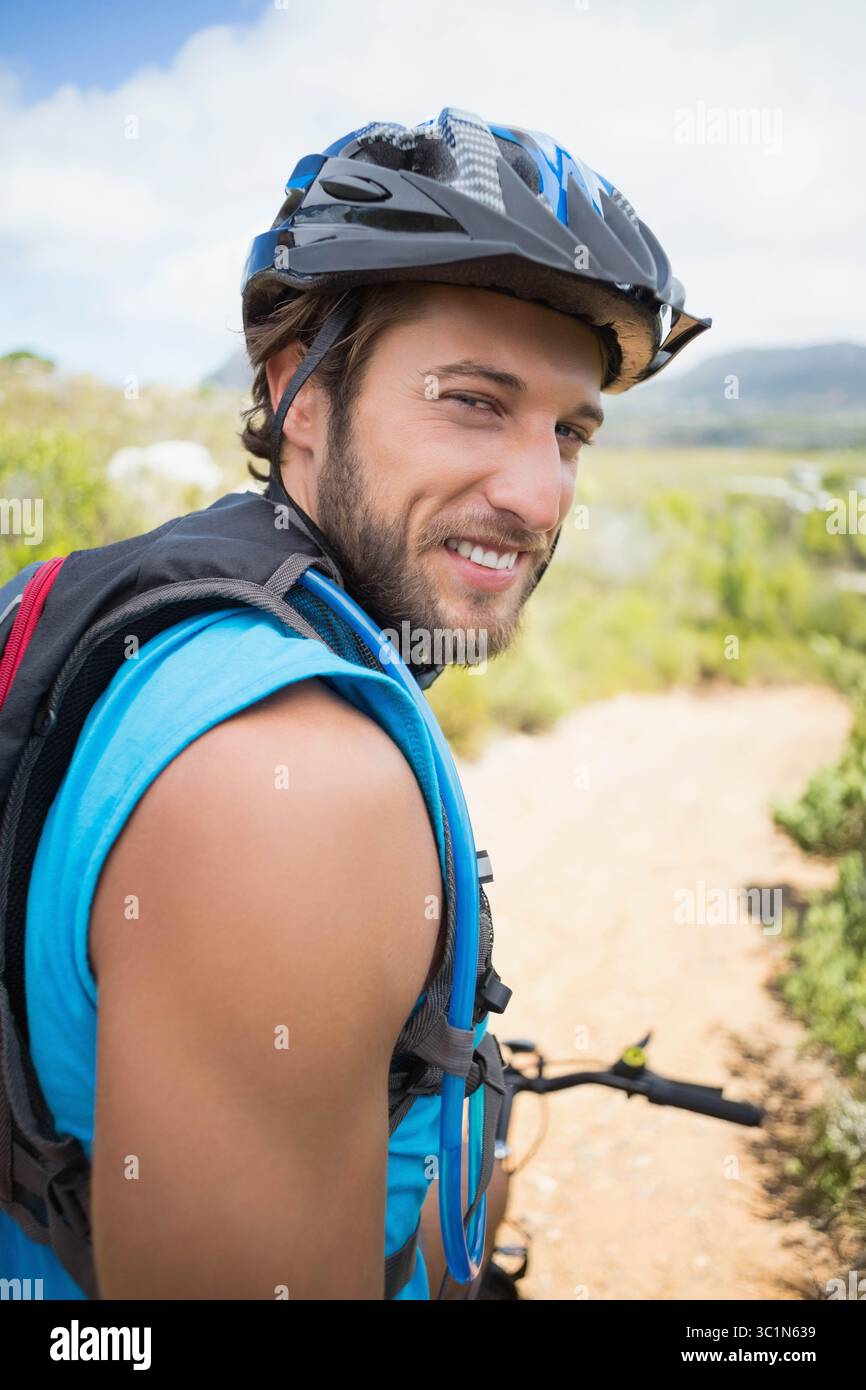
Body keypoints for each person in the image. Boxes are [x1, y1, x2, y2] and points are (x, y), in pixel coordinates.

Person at [0, 106, 709, 1300]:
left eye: (569, 433)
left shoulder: (148, 600)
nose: (539, 494)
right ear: (299, 395)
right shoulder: (295, 785)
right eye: (473, 401)